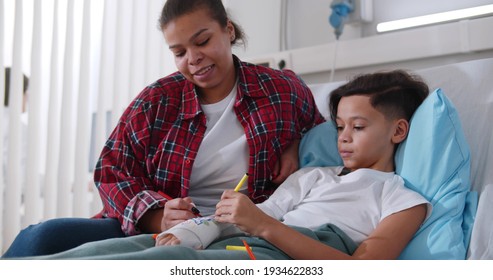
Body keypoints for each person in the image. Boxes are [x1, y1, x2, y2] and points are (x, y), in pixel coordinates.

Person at [2, 0, 324, 258]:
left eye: (203, 41)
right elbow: (112, 170)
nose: (194, 59)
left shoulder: (282, 89)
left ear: (228, 30)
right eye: (180, 52)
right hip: (163, 227)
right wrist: (157, 215)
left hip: (244, 227)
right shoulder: (158, 100)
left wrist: (295, 143)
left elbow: (326, 140)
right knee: (40, 238)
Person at [27, 69, 432, 260]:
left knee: (162, 264)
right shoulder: (313, 176)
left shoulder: (401, 197)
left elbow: (362, 270)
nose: (342, 137)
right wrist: (197, 228)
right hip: (239, 240)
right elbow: (256, 216)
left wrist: (263, 226)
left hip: (282, 257)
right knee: (113, 249)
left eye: (358, 127)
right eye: (340, 126)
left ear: (398, 131)